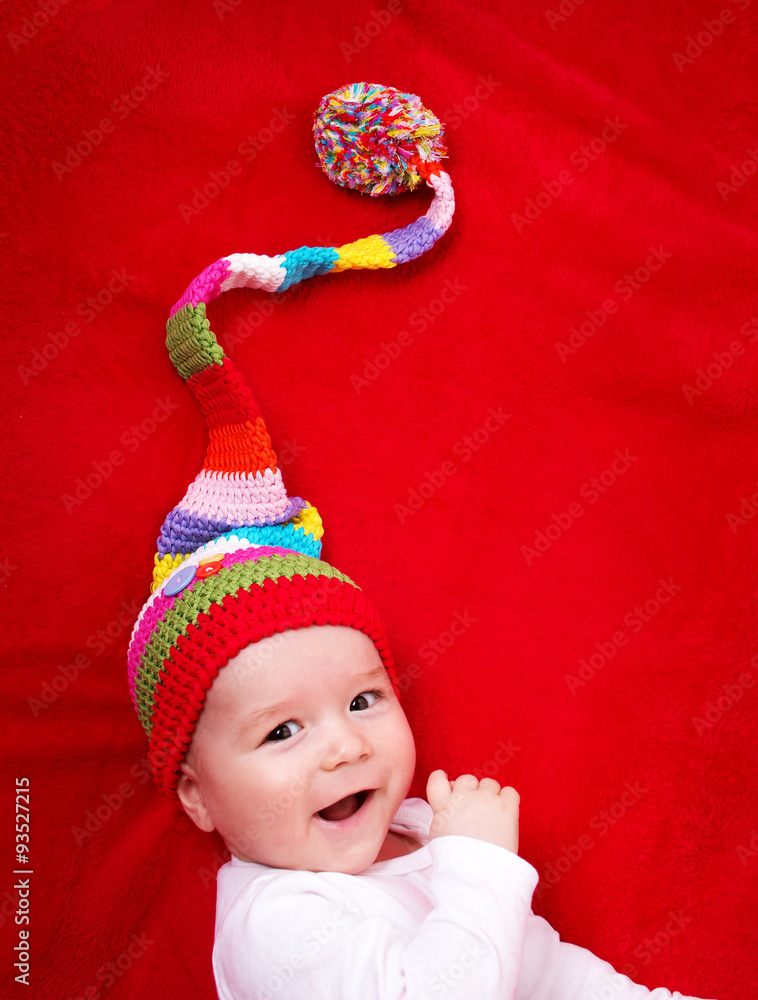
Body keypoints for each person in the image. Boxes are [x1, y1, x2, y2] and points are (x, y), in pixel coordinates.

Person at [126, 83, 717, 1000]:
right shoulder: (278, 924)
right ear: (197, 794)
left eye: (365, 701)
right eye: (282, 730)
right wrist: (478, 868)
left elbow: (549, 971)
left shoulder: (407, 838)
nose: (344, 750)